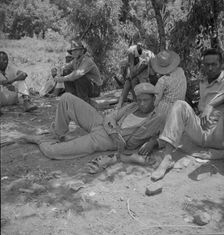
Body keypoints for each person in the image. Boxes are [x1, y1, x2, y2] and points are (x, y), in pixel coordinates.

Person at [22, 83, 166, 171]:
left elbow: (164, 137)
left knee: (53, 151)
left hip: (105, 140)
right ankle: (57, 134)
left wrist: (153, 142)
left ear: (154, 99)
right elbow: (111, 117)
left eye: (145, 100)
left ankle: (40, 141)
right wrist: (112, 129)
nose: (141, 104)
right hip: (102, 123)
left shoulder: (156, 118)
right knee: (66, 98)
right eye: (139, 99)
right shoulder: (133, 106)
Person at [148, 48, 224, 181]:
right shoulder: (203, 82)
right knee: (179, 104)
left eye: (214, 64)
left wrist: (211, 105)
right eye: (207, 65)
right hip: (201, 132)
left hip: (219, 134)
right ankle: (167, 159)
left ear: (222, 65)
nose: (210, 68)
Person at [116, 43, 156, 109]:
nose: (130, 59)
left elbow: (135, 73)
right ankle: (120, 104)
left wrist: (130, 72)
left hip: (147, 81)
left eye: (131, 58)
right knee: (129, 82)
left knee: (132, 80)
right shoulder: (134, 59)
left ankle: (136, 102)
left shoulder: (144, 60)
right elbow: (131, 73)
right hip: (138, 78)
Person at [151, 50, 187, 115]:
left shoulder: (163, 80)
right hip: (181, 108)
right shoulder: (181, 71)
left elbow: (156, 100)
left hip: (166, 111)